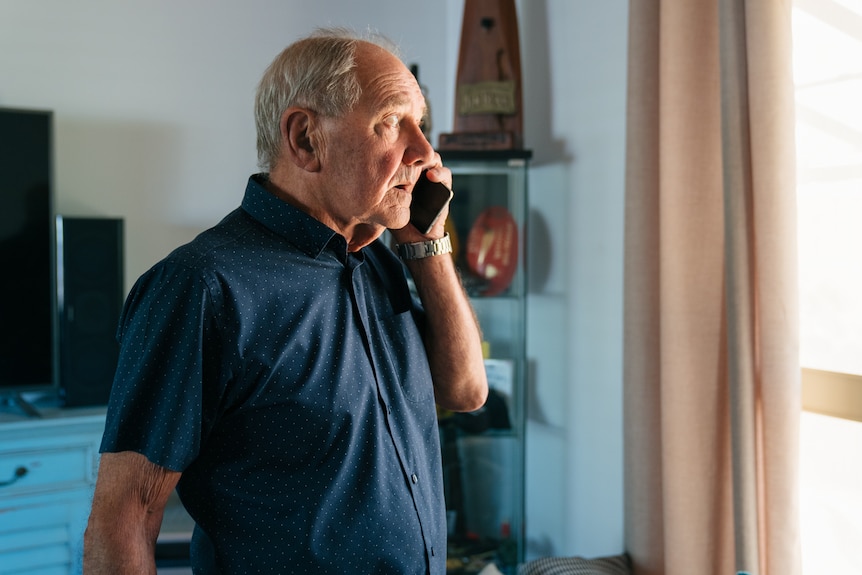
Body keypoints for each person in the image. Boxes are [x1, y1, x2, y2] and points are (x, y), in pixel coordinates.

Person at [83, 27, 488, 574]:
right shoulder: (199, 288)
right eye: (392, 122)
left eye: (422, 124)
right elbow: (124, 517)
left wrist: (427, 244)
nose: (425, 151)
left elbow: (466, 390)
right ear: (304, 139)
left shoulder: (379, 261)